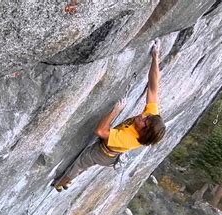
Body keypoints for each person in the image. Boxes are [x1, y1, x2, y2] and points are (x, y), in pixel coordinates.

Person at [52, 39, 166, 192]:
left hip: (104, 153)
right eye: (147, 117)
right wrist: (155, 56)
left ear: (144, 132)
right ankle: (68, 181)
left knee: (81, 163)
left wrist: (115, 111)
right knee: (86, 164)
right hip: (112, 148)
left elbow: (100, 132)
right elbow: (153, 88)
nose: (143, 116)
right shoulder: (151, 119)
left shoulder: (128, 138)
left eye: (145, 121)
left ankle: (61, 183)